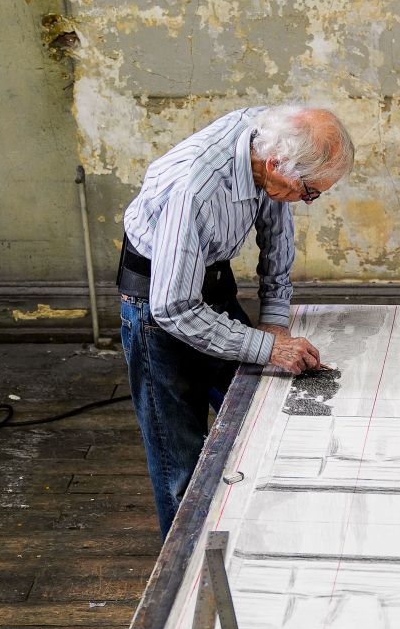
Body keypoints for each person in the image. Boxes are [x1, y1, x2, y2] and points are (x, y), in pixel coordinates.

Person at [118, 103, 354, 538]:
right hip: (156, 305)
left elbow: (276, 231)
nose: (308, 202)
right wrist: (269, 347)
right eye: (309, 192)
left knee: (255, 419)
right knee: (181, 467)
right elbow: (172, 307)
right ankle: (188, 580)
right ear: (275, 165)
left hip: (209, 281)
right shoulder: (195, 187)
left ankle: (257, 542)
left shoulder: (269, 139)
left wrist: (275, 319)